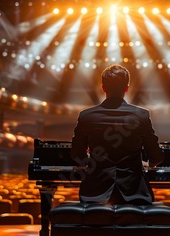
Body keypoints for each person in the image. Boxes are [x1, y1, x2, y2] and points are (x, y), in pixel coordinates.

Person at [70, 64, 164, 205]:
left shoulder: (86, 116)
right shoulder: (141, 115)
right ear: (126, 89)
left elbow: (76, 154)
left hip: (95, 194)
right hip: (134, 193)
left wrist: (91, 161)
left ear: (103, 88)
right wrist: (142, 163)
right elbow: (156, 157)